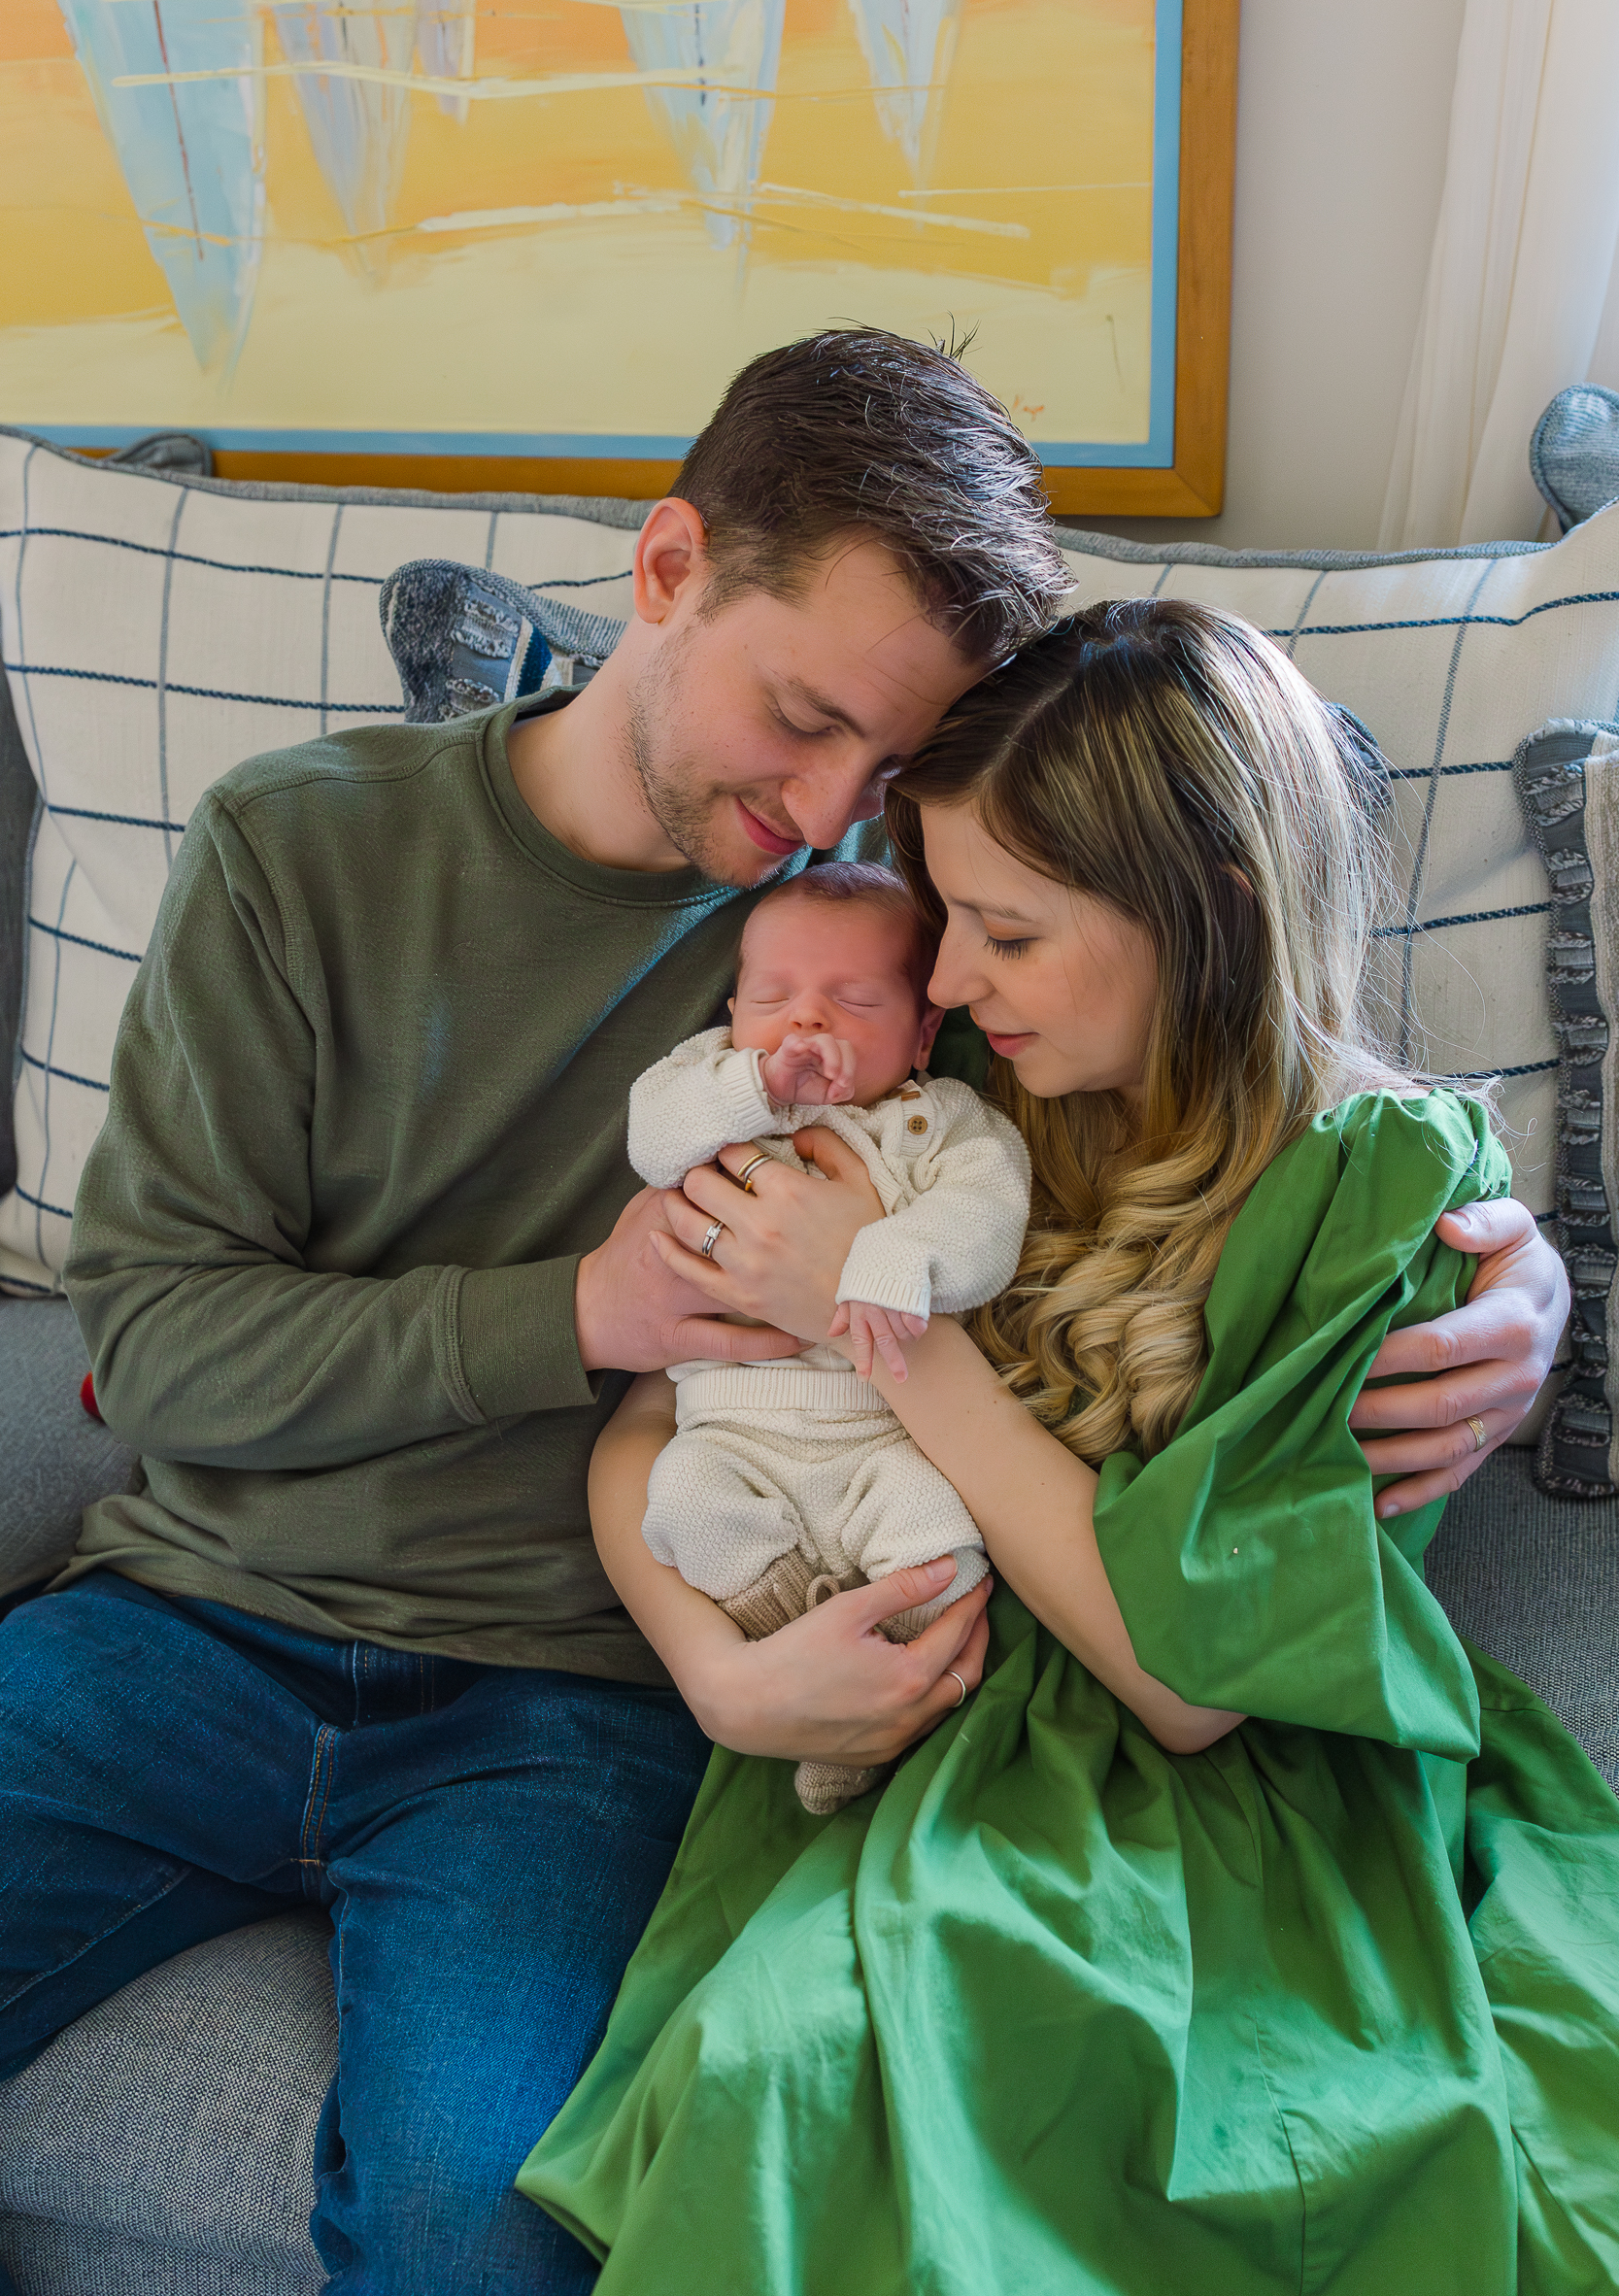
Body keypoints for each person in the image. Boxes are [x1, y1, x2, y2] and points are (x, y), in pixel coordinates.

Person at [0, 332, 1563, 2296]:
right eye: (800, 713)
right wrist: (586, 1304)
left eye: (886, 768)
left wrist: (1522, 1262)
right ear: (664, 570)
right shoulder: (296, 850)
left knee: (491, 2219)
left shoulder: (899, 950)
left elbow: (1213, 1036)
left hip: (571, 1694)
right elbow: (148, 1344)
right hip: (193, 1619)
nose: (830, 808)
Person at [519, 600, 1618, 2295]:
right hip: (916, 1729)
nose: (941, 977)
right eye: (944, 915)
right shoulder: (952, 1078)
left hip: (1212, 1806)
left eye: (1003, 934)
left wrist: (888, 1319)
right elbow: (661, 1412)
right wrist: (716, 1679)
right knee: (768, 2082)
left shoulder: (1374, 1194)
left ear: (1210, 916)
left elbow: (1191, 1687)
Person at [625, 861, 1031, 1811]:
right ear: (733, 1007)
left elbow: (989, 1224)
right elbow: (651, 1138)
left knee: (940, 1549)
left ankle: (885, 1702)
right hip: (731, 1433)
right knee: (682, 1499)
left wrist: (899, 1255)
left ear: (923, 1031)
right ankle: (795, 1654)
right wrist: (750, 1085)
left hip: (880, 1438)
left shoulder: (939, 1123)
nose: (805, 1023)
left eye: (851, 1002)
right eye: (772, 996)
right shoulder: (711, 1088)